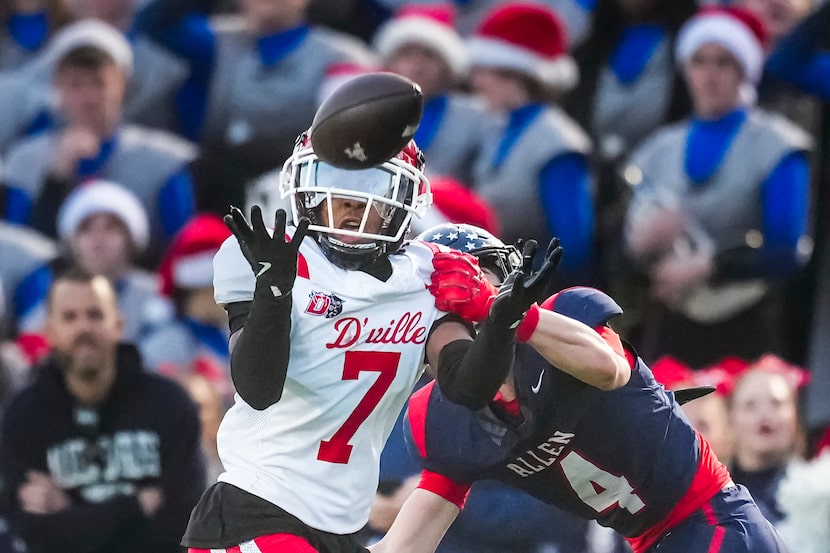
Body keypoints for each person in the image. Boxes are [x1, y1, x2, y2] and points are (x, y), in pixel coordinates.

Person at [181, 130, 562, 553]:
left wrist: (502, 323)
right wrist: (274, 293)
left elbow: (467, 388)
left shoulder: (422, 277)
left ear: (401, 199)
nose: (349, 203)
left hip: (338, 525)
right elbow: (256, 388)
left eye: (369, 186)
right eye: (335, 184)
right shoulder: (283, 262)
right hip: (255, 512)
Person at [370, 283, 792, 552]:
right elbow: (406, 544)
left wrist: (519, 317)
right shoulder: (442, 422)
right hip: (649, 541)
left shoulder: (566, 319)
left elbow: (611, 369)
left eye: (454, 316)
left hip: (711, 517)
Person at [621, 6, 813, 368]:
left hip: (749, 321)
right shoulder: (657, 149)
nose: (710, 75)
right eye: (700, 61)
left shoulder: (779, 146)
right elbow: (621, 251)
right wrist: (641, 244)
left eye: (724, 63)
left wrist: (711, 267)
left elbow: (787, 250)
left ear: (745, 69)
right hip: (673, 321)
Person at [0, 268, 206, 553]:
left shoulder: (169, 404)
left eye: (95, 315)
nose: (83, 328)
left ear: (118, 325)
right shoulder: (24, 416)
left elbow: (185, 524)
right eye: (70, 317)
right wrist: (136, 506)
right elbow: (31, 535)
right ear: (50, 332)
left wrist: (69, 511)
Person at [0, 19, 197, 266]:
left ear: (122, 83)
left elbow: (180, 252)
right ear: (57, 86)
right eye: (75, 84)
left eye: (98, 83)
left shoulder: (162, 161)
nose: (88, 98)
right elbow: (18, 256)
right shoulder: (25, 161)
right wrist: (55, 181)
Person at [465, 3, 596, 280]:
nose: (475, 82)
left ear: (513, 73)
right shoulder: (499, 128)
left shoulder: (558, 143)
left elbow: (570, 250)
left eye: (482, 70)